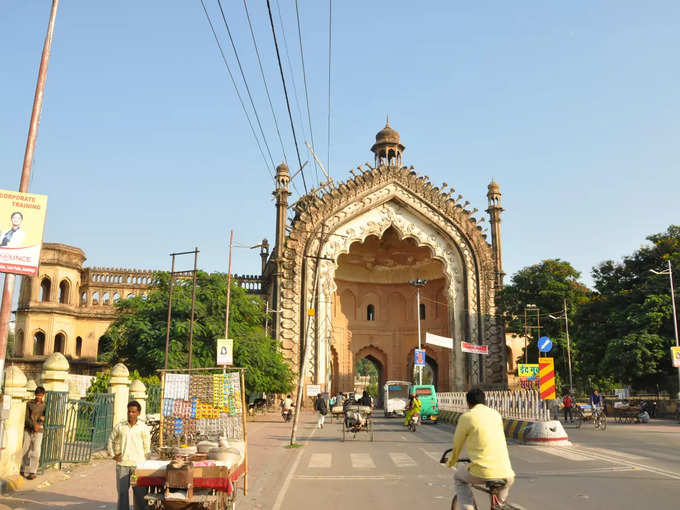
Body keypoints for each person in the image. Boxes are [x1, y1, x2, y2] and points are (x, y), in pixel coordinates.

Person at [447, 389, 515, 510]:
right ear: (485, 401)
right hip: (507, 473)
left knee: (458, 477)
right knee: (499, 506)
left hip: (482, 472)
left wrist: (451, 461)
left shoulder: (467, 417)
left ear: (468, 403)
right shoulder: (496, 414)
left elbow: (457, 444)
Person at [107, 401, 151, 510]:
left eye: (133, 412)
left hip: (137, 466)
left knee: (140, 493)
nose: (131, 414)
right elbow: (110, 440)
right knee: (122, 493)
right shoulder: (120, 426)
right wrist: (113, 455)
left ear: (138, 413)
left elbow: (147, 447)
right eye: (129, 411)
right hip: (123, 465)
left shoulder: (143, 428)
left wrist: (145, 463)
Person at [21, 386, 46, 480]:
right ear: (35, 394)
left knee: (36, 450)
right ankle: (22, 469)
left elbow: (47, 416)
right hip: (28, 429)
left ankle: (33, 472)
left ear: (43, 395)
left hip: (39, 429)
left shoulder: (45, 405)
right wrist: (32, 425)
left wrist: (44, 418)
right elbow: (26, 418)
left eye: (41, 395)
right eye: (38, 395)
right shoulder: (29, 404)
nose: (39, 397)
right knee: (25, 449)